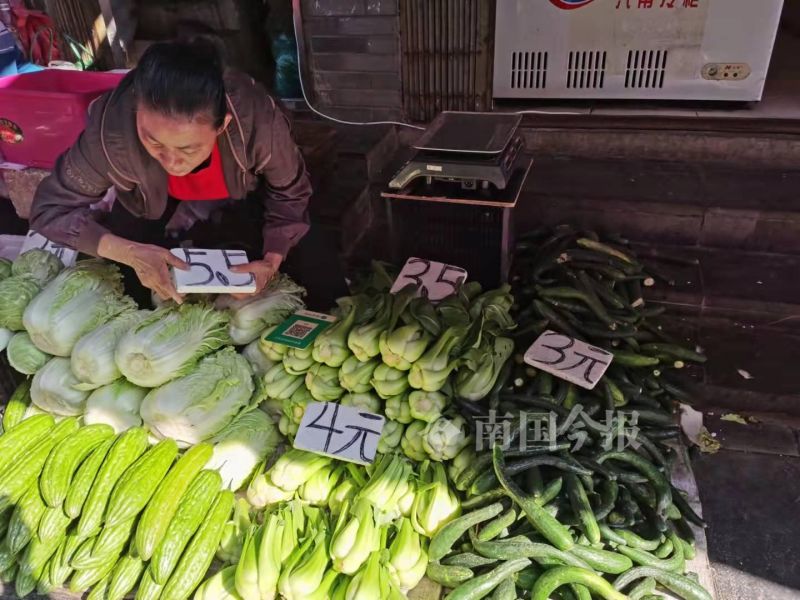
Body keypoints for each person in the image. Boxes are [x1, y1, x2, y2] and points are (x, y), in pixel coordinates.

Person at [29, 39, 345, 307]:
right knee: (129, 288)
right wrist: (129, 252)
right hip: (147, 202)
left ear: (221, 127)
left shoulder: (256, 121)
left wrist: (271, 260)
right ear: (137, 112)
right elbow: (50, 210)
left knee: (316, 269)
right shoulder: (111, 131)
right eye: (152, 140)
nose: (173, 162)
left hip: (246, 194)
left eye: (188, 149)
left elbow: (290, 195)